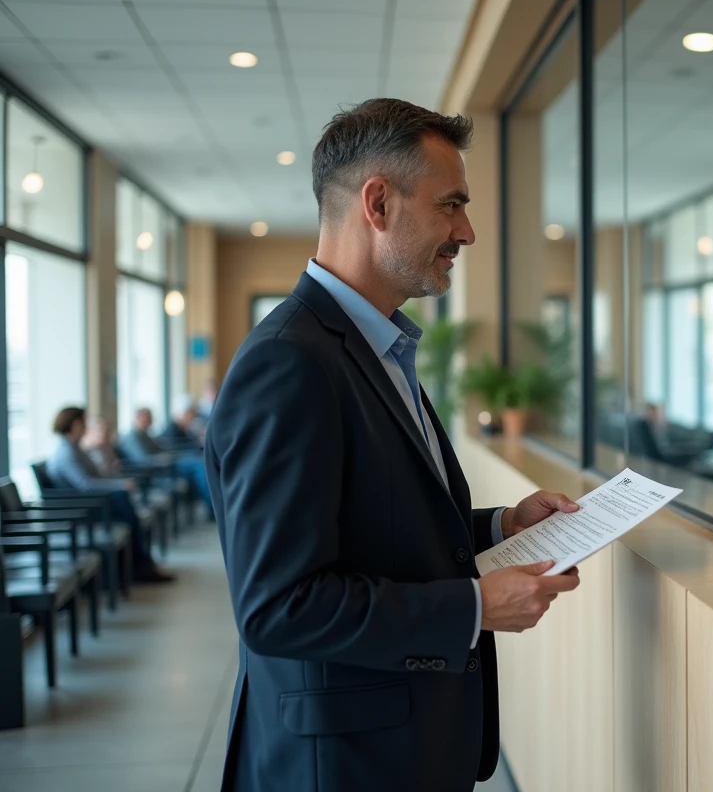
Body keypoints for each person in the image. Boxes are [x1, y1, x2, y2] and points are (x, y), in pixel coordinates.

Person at [206, 98, 583, 791]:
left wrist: (498, 528)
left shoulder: (378, 347)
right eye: (451, 205)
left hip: (398, 749)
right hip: (342, 767)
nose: (466, 232)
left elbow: (370, 531)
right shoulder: (290, 362)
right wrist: (474, 606)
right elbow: (278, 606)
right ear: (378, 203)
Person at [46, 406, 174, 583]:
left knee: (124, 501)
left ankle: (141, 564)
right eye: (84, 423)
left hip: (89, 503)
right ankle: (142, 564)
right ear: (75, 424)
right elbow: (84, 485)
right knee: (123, 499)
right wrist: (118, 484)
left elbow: (95, 476)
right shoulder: (66, 452)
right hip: (81, 509)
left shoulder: (75, 448)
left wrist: (117, 482)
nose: (86, 427)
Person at [119, 407, 214, 516]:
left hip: (166, 465)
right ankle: (212, 507)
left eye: (151, 418)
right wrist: (164, 458)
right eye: (147, 418)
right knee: (199, 467)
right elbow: (142, 460)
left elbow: (162, 448)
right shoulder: (131, 437)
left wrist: (170, 455)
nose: (150, 421)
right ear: (138, 418)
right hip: (157, 472)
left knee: (200, 462)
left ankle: (212, 505)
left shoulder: (145, 434)